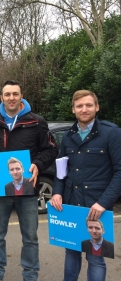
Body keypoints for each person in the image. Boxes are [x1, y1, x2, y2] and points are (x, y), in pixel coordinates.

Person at [0, 80, 57, 281]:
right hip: (0, 190)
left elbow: (51, 149)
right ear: (1, 98)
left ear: (21, 96)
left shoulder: (37, 121)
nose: (11, 98)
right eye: (7, 94)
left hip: (28, 190)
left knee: (31, 237)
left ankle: (30, 275)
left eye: (15, 94)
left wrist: (38, 164)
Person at [50, 89, 121, 281]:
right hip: (72, 205)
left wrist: (103, 203)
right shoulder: (68, 136)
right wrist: (57, 192)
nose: (84, 109)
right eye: (79, 106)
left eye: (89, 105)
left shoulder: (112, 133)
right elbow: (61, 170)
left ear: (97, 107)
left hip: (96, 207)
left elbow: (120, 172)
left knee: (95, 258)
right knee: (72, 253)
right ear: (73, 109)